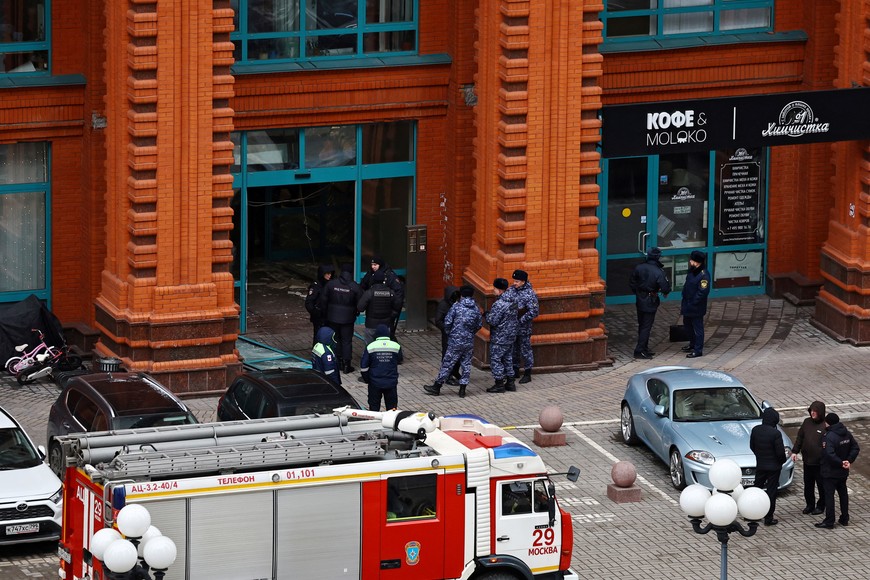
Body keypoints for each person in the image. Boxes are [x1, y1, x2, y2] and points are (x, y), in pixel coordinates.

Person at [424, 285, 483, 398]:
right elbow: (479, 325)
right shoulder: (475, 309)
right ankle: (462, 389)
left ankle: (437, 387)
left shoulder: (457, 307)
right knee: (466, 364)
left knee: (447, 363)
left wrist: (450, 333)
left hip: (455, 341)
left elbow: (447, 322)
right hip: (468, 342)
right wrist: (470, 334)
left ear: (461, 294)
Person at [816, 413, 860, 529]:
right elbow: (855, 447)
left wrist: (841, 462)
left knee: (829, 496)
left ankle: (829, 521)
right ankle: (845, 518)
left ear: (828, 422)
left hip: (830, 472)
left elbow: (829, 454)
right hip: (843, 472)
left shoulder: (829, 436)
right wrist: (848, 461)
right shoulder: (846, 433)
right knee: (843, 494)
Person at [628, 247, 671, 359]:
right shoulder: (658, 271)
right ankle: (640, 350)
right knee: (646, 326)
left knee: (642, 325)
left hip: (640, 298)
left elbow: (632, 283)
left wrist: (638, 293)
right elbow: (665, 287)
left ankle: (644, 348)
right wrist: (663, 292)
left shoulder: (639, 267)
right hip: (650, 299)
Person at [319, 263, 362, 373]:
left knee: (336, 339)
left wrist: (326, 313)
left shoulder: (331, 284)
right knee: (347, 341)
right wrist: (355, 312)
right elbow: (361, 304)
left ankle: (337, 362)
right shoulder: (355, 287)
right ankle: (347, 365)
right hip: (348, 319)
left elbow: (323, 300)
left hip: (333, 318)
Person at [750, 406, 786, 526]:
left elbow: (752, 446)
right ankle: (768, 517)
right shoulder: (775, 434)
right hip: (774, 468)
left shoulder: (756, 430)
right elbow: (780, 452)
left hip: (761, 465)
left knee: (756, 489)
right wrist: (781, 461)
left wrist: (760, 456)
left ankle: (752, 513)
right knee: (771, 491)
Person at [791, 401, 827, 515]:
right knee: (808, 485)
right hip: (807, 461)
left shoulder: (825, 425)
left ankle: (821, 506)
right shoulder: (807, 422)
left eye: (815, 411)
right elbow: (800, 437)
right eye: (811, 411)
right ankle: (810, 505)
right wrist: (795, 451)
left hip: (820, 463)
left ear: (820, 412)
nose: (812, 413)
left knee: (821, 486)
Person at [485, 278, 518, 394]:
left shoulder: (499, 304)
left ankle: (499, 384)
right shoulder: (513, 300)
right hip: (511, 336)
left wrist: (486, 314)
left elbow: (492, 321)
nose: (493, 290)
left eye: (494, 288)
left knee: (496, 359)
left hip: (500, 337)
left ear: (499, 290)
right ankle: (510, 382)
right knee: (508, 358)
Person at [506, 269, 539, 384]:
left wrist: (521, 319)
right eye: (514, 281)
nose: (514, 283)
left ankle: (527, 373)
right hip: (512, 327)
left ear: (523, 281)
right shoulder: (511, 290)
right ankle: (515, 370)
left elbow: (534, 311)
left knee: (525, 350)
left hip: (523, 328)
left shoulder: (529, 294)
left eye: (517, 281)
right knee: (514, 349)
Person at [360, 324, 403, 411]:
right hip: (391, 383)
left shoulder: (370, 346)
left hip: (375, 383)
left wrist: (367, 379)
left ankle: (373, 424)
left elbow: (363, 366)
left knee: (374, 409)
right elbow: (399, 359)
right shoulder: (396, 346)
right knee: (392, 409)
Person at [361, 257, 405, 339]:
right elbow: (363, 286)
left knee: (388, 336)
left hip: (386, 313)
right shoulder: (370, 273)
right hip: (373, 312)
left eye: (375, 265)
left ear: (380, 265)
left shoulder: (390, 275)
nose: (373, 267)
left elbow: (399, 293)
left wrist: (394, 312)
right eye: (372, 265)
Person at [357, 270, 403, 346]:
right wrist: (391, 315)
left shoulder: (369, 293)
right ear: (384, 280)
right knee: (384, 346)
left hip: (371, 325)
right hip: (386, 325)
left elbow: (360, 307)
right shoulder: (390, 292)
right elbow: (397, 306)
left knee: (369, 347)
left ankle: (371, 357)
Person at [680, 250, 711, 358]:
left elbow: (702, 292)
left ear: (698, 262)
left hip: (696, 306)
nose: (690, 262)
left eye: (692, 261)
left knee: (698, 328)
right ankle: (692, 344)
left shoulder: (704, 275)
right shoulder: (692, 271)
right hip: (687, 304)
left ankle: (698, 350)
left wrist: (693, 302)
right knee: (687, 325)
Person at [434, 285, 461, 385]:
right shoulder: (443, 305)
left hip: (457, 335)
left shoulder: (457, 304)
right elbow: (438, 321)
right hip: (448, 335)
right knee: (447, 356)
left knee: (458, 356)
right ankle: (447, 376)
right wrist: (447, 329)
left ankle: (454, 372)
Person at [305, 264, 334, 346]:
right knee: (318, 337)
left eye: (330, 273)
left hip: (329, 316)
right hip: (319, 317)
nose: (330, 275)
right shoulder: (316, 286)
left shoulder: (331, 284)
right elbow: (309, 302)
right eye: (327, 273)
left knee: (329, 336)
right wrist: (315, 312)